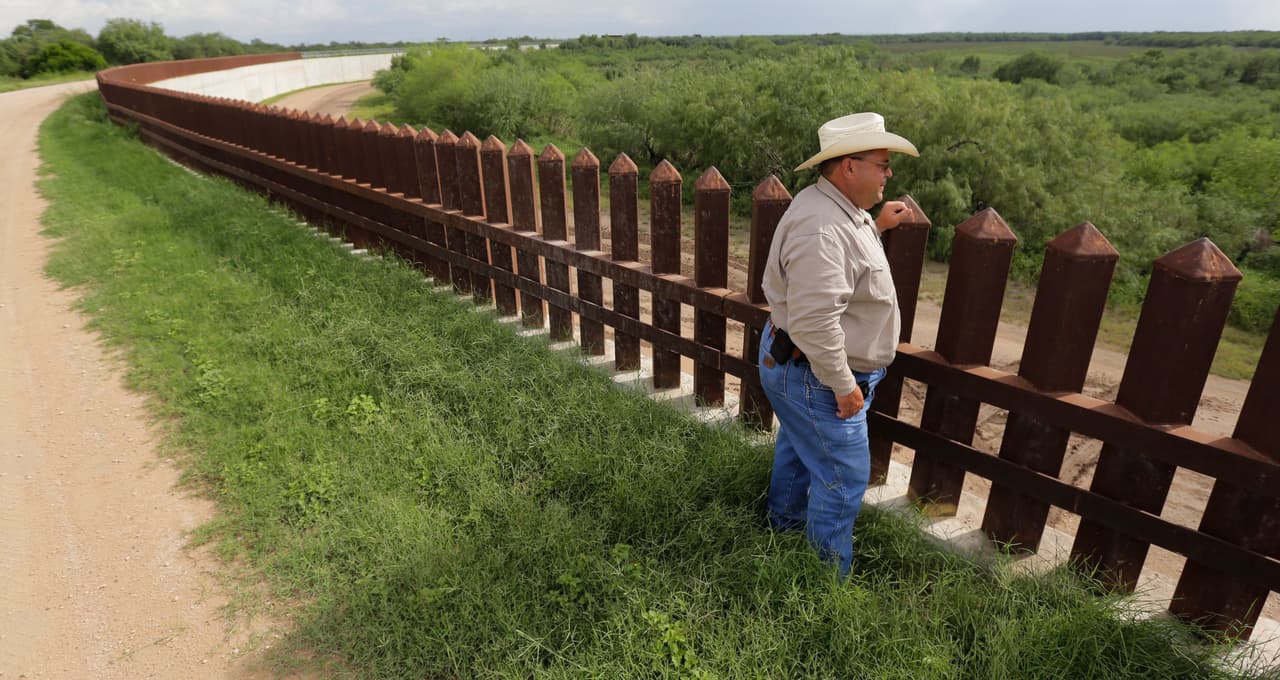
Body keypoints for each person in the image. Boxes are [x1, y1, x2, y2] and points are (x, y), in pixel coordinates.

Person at [759, 112, 918, 576]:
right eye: (883, 164)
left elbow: (840, 259)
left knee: (799, 449)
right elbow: (815, 322)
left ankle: (784, 529)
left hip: (798, 368)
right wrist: (845, 387)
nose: (889, 173)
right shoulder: (823, 229)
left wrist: (875, 225)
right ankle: (826, 581)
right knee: (842, 478)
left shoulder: (832, 208)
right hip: (818, 376)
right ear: (849, 166)